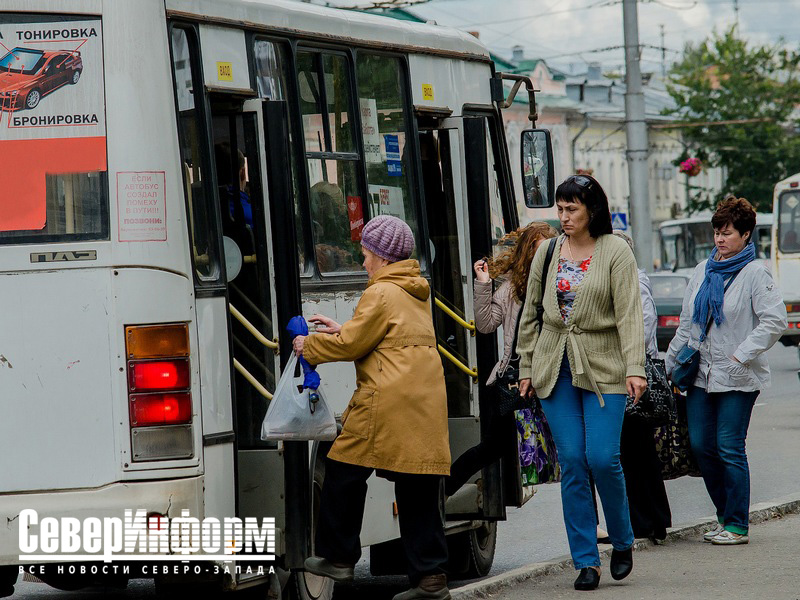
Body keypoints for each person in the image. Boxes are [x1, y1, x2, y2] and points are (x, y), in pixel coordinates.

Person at [294, 215, 452, 600]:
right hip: (423, 401)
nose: (363, 262)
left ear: (382, 256)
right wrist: (343, 330)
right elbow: (382, 336)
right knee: (417, 486)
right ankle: (430, 580)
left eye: (366, 254)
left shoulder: (379, 292)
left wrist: (308, 346)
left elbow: (353, 345)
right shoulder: (415, 289)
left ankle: (338, 558)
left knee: (342, 469)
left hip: (386, 400)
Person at [516, 174, 647, 591]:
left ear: (593, 211)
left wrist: (635, 367)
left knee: (602, 458)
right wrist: (525, 367)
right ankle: (586, 560)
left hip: (604, 366)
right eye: (560, 209)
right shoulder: (547, 251)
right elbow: (531, 314)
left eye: (572, 209)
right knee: (572, 461)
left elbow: (629, 314)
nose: (564, 216)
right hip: (555, 365)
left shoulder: (615, 250)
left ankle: (622, 540)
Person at [666, 196, 787, 545]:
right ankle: (724, 516)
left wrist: (741, 354)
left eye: (728, 233)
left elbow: (775, 320)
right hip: (700, 374)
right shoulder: (702, 271)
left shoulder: (755, 273)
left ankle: (736, 524)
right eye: (717, 233)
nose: (720, 239)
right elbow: (687, 324)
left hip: (738, 376)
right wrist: (669, 366)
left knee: (729, 446)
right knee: (702, 446)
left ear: (746, 235)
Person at [445, 221, 558, 497]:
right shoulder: (512, 289)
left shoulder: (560, 285)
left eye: (549, 251)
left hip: (555, 379)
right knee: (492, 447)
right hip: (516, 382)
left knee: (573, 449)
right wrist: (483, 284)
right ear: (527, 254)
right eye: (538, 251)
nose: (543, 258)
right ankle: (440, 491)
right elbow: (485, 325)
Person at [613, 230, 672, 543]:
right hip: (626, 374)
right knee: (634, 450)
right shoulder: (624, 279)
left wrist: (626, 361)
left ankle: (649, 521)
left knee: (634, 451)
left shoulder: (634, 280)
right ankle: (650, 521)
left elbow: (645, 327)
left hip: (631, 376)